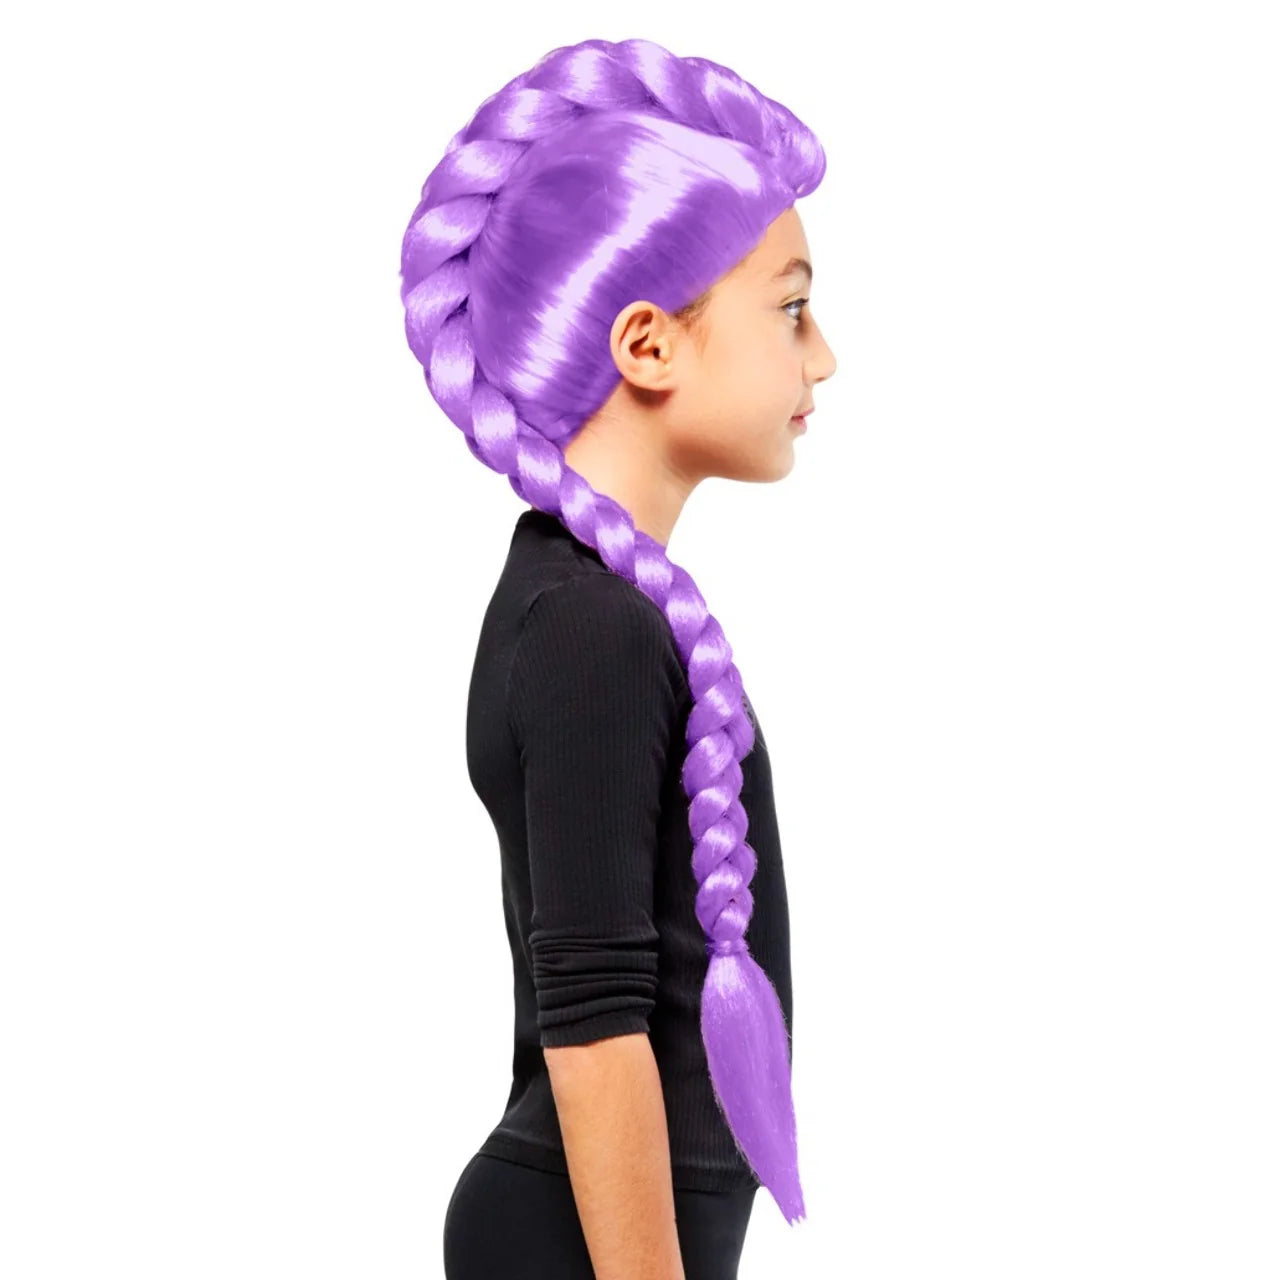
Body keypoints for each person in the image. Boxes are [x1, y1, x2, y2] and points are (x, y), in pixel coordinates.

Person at [398, 36, 836, 1278]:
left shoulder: (600, 609)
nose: (822, 356)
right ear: (647, 347)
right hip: (581, 1237)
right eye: (791, 307)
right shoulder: (587, 627)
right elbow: (594, 1034)